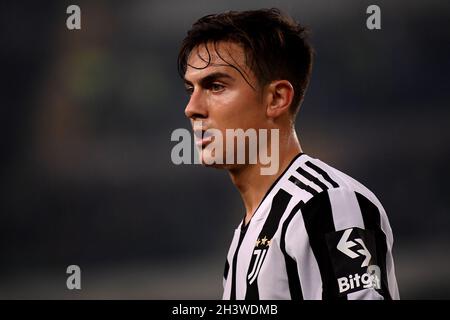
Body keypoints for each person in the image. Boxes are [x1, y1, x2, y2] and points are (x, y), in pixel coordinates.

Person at [177, 8, 399, 300]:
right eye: (190, 89)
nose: (191, 108)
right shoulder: (246, 236)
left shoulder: (327, 203)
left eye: (216, 86)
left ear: (277, 98)